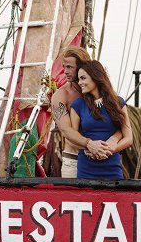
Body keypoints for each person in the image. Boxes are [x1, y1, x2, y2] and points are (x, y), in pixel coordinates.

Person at [51, 46, 120, 177]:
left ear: (83, 66)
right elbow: (66, 130)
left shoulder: (101, 94)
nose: (65, 71)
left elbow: (118, 123)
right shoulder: (61, 95)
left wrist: (113, 140)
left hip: (106, 160)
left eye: (69, 67)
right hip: (74, 160)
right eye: (64, 66)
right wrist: (89, 144)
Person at [70, 60, 133, 179]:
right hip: (86, 169)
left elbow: (129, 138)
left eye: (83, 78)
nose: (79, 83)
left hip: (112, 169)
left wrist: (110, 149)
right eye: (79, 79)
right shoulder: (78, 105)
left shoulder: (118, 102)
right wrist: (90, 147)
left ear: (95, 77)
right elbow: (72, 140)